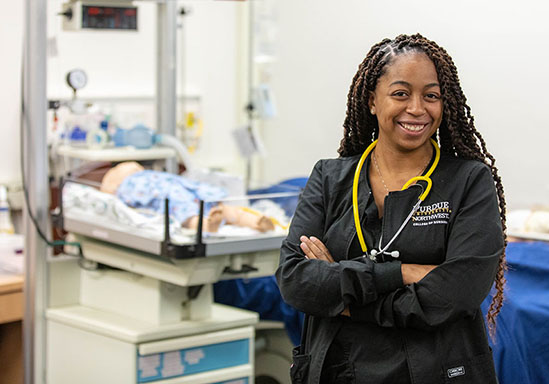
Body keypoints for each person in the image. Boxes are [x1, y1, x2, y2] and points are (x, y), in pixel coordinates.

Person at [276, 34, 507, 384]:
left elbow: (458, 292)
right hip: (340, 370)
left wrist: (347, 298)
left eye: (431, 96)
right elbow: (296, 281)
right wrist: (403, 273)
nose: (417, 108)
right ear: (372, 100)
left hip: (437, 372)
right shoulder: (330, 177)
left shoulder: (469, 181)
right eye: (401, 93)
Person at [100, 161, 275, 233]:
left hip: (178, 190)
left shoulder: (139, 178)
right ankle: (251, 221)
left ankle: (256, 222)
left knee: (190, 211)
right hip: (179, 192)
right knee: (224, 210)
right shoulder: (127, 182)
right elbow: (110, 197)